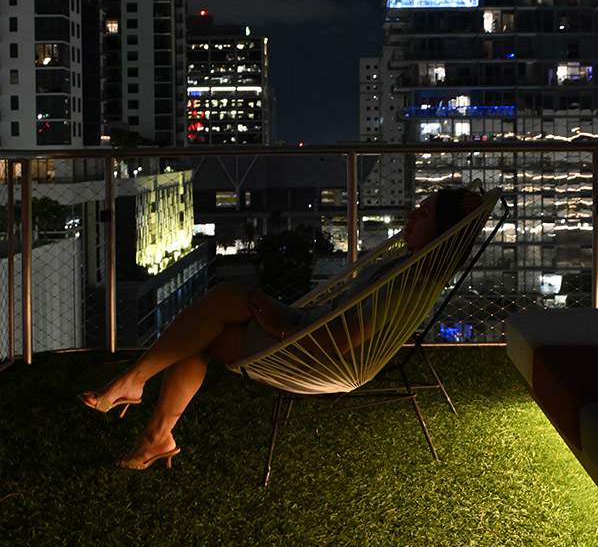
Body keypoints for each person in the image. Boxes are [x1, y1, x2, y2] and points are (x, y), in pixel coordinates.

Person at [77, 185, 482, 470]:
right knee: (223, 296)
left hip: (311, 350)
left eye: (424, 213)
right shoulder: (410, 268)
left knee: (207, 329)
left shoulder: (408, 284)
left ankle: (144, 410)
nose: (411, 215)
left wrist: (277, 327)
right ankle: (146, 416)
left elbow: (343, 340)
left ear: (442, 233)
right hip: (306, 328)